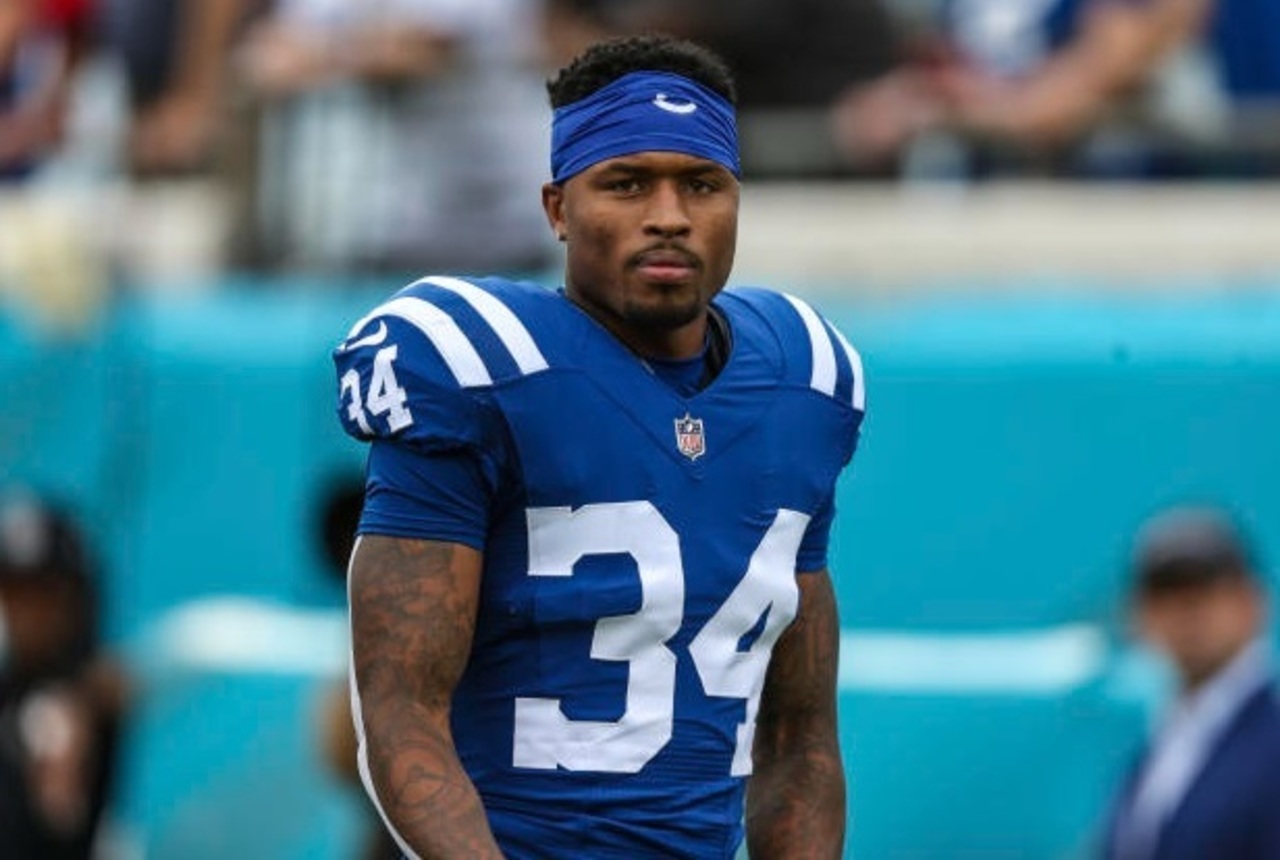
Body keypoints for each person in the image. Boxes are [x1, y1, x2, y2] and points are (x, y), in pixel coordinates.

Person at [333, 34, 866, 858]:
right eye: (627, 183)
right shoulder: (481, 367)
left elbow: (800, 740)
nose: (669, 216)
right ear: (557, 208)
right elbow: (400, 715)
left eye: (701, 184)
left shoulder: (803, 381)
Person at [1100, 506, 1280, 860]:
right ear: (1139, 616)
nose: (1187, 614)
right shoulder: (1160, 739)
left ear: (1253, 602)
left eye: (1206, 594)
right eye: (1166, 597)